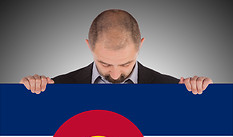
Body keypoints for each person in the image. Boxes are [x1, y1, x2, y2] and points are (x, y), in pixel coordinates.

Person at [20, 9, 213, 95]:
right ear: (89, 46)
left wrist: (202, 93)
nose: (115, 75)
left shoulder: (173, 90)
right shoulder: (56, 89)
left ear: (140, 46)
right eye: (104, 63)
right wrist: (27, 93)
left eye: (125, 64)